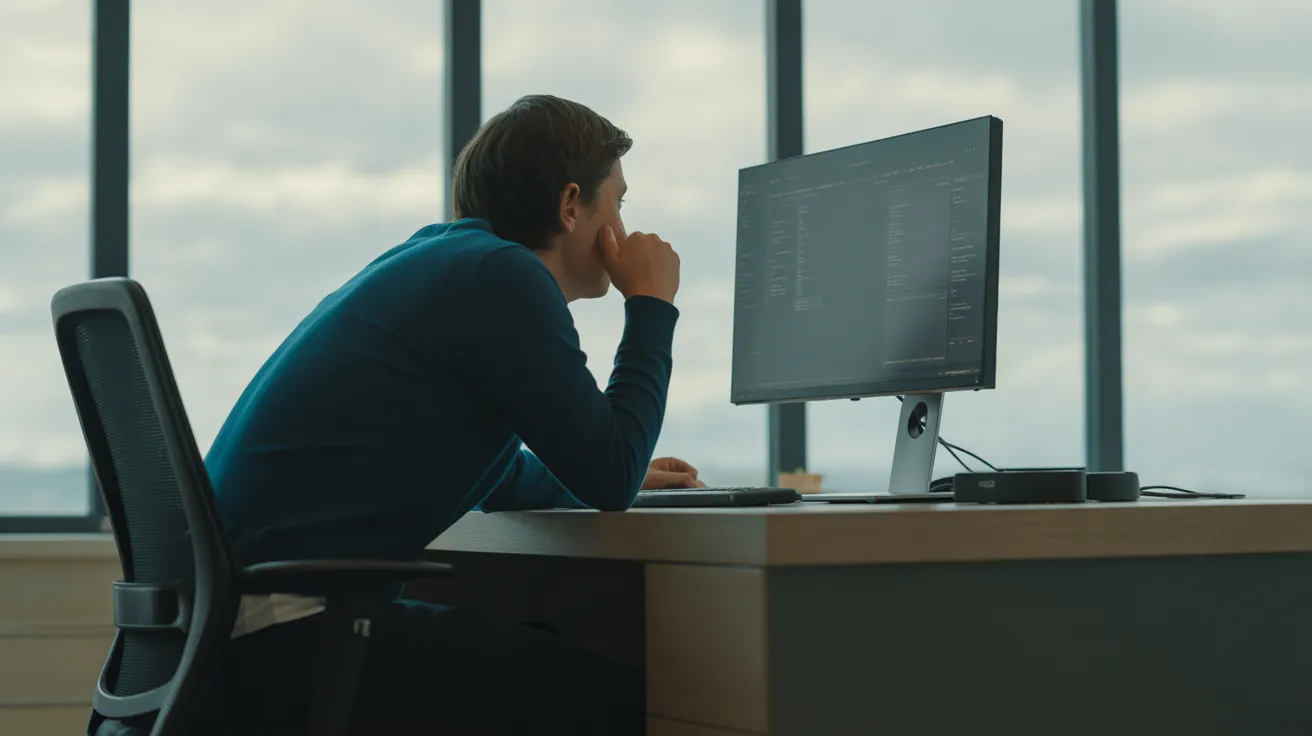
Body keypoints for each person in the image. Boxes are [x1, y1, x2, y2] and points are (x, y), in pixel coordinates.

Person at [203, 94, 699, 734]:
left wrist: (618, 466)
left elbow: (495, 468)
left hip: (236, 627)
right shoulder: (504, 278)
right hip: (291, 633)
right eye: (620, 203)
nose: (625, 230)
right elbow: (610, 479)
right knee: (635, 703)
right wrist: (652, 306)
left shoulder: (445, 260)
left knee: (542, 657)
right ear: (572, 204)